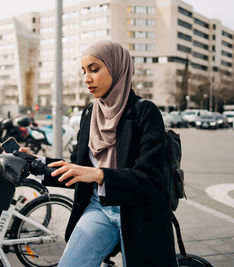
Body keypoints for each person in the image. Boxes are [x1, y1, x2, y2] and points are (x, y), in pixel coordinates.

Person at [20, 40, 177, 266]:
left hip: (139, 215)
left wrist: (99, 175)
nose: (87, 78)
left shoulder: (145, 112)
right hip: (99, 208)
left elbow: (151, 180)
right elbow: (77, 169)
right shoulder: (89, 113)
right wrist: (35, 164)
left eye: (95, 69)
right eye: (84, 71)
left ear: (116, 68)